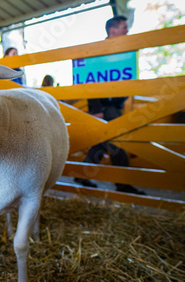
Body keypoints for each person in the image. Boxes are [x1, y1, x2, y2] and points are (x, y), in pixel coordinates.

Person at [73, 15, 146, 195]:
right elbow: (91, 80)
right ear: (113, 30)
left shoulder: (120, 51)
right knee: (119, 140)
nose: (127, 31)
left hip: (115, 104)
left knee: (103, 143)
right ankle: (122, 183)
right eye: (124, 27)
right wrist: (96, 109)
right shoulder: (100, 51)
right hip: (105, 106)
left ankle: (82, 174)